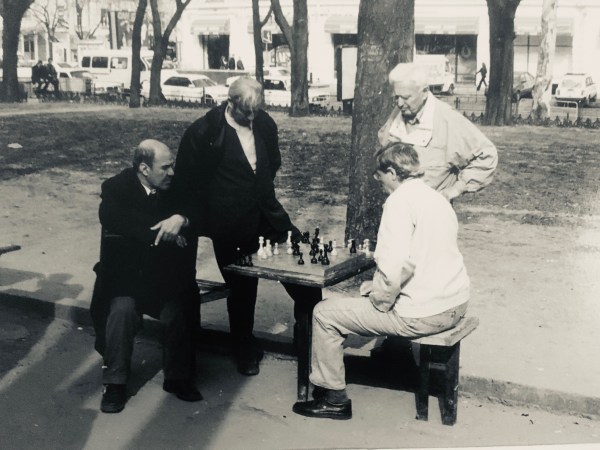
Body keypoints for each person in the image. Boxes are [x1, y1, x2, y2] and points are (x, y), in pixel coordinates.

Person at [292, 142, 470, 420]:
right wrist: (378, 287)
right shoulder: (435, 197)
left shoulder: (398, 203)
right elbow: (418, 260)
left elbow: (394, 268)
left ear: (392, 172)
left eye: (379, 176)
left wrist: (378, 298)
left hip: (423, 315)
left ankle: (335, 399)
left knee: (324, 313)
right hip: (456, 303)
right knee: (364, 300)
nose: (379, 182)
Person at [172, 77, 322, 376]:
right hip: (229, 225)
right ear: (230, 103)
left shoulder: (264, 123)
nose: (252, 118)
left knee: (304, 279)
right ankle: (244, 349)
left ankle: (307, 339)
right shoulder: (204, 132)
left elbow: (272, 162)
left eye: (257, 111)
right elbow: (187, 183)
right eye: (246, 113)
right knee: (242, 291)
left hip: (269, 216)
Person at [376, 61, 496, 357]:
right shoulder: (400, 114)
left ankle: (437, 362)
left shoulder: (446, 120)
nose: (399, 103)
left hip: (430, 221)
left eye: (405, 97)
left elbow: (487, 155)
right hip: (403, 214)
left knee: (431, 284)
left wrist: (453, 191)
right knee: (399, 273)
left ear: (425, 91)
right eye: (396, 97)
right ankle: (396, 352)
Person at [90, 139, 202, 414]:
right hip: (125, 279)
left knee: (179, 309)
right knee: (122, 311)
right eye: (165, 167)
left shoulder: (174, 187)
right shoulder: (117, 188)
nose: (172, 173)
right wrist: (162, 234)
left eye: (172, 166)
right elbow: (112, 218)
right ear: (144, 168)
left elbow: (202, 209)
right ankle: (114, 383)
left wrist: (182, 219)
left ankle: (177, 378)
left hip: (162, 278)